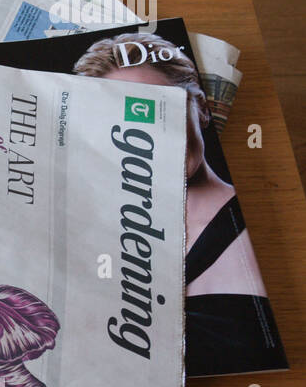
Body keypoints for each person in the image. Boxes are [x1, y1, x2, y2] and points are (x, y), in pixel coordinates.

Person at [73, 32, 265, 299]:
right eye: (124, 123)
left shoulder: (254, 235)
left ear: (201, 108)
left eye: (162, 109)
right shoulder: (98, 243)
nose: (151, 139)